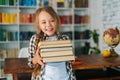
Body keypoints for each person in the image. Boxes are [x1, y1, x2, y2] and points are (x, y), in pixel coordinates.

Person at [28, 6, 76, 80]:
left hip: (65, 77)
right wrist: (35, 59)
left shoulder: (65, 38)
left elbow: (70, 60)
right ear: (39, 25)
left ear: (57, 21)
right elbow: (30, 63)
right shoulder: (35, 39)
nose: (48, 25)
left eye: (52, 20)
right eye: (44, 22)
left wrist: (72, 58)